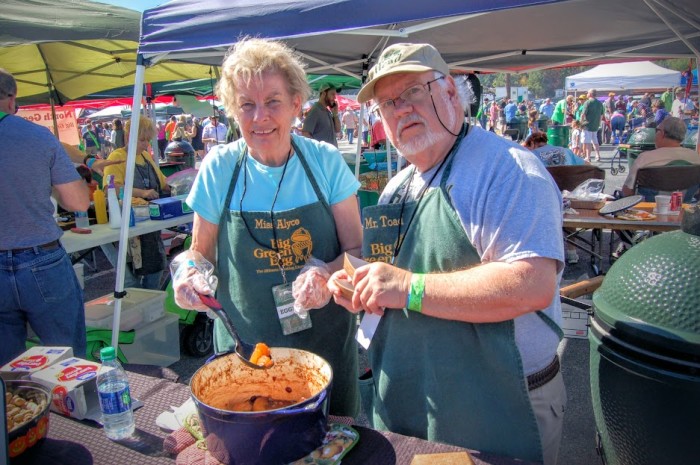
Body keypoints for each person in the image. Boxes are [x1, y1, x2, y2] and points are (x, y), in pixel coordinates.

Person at [327, 43, 566, 465]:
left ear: (452, 94)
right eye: (388, 103)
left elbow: (531, 284)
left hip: (498, 407)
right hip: (415, 403)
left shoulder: (509, 169)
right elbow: (387, 282)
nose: (401, 110)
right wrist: (355, 286)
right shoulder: (396, 188)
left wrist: (407, 287)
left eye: (414, 92)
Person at [171, 38, 362, 418]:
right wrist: (189, 273)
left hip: (324, 348)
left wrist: (326, 272)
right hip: (245, 351)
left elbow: (358, 248)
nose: (259, 117)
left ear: (295, 104)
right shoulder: (219, 168)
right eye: (246, 104)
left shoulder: (324, 162)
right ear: (232, 111)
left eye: (273, 101)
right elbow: (200, 251)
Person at [0, 68, 89, 365]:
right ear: (11, 98)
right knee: (68, 365)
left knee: (8, 373)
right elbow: (77, 202)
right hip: (40, 260)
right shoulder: (37, 137)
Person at [103, 116, 170, 290]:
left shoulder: (146, 157)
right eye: (141, 140)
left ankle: (150, 304)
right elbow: (113, 188)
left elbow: (163, 183)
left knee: (156, 266)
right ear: (128, 136)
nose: (145, 144)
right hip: (130, 226)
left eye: (148, 140)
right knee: (133, 280)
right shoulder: (117, 157)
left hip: (151, 223)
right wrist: (143, 193)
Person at [621, 116, 700, 198]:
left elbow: (627, 192)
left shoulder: (645, 158)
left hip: (649, 208)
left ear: (662, 133)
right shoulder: (696, 158)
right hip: (685, 208)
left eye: (656, 130)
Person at [579, 89, 604, 162]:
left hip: (587, 124)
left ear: (590, 94)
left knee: (587, 142)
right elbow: (601, 115)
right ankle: (598, 155)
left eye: (587, 93)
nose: (587, 94)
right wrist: (598, 123)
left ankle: (588, 157)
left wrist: (580, 124)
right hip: (595, 125)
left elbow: (583, 114)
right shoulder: (599, 103)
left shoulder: (587, 102)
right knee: (595, 141)